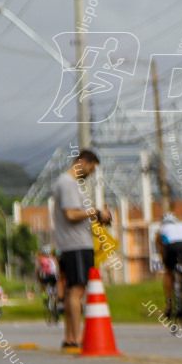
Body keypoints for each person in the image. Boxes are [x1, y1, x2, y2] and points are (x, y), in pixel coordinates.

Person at [53, 149, 111, 350]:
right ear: (84, 162)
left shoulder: (67, 183)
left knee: (72, 291)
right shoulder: (68, 183)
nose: (91, 173)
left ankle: (70, 336)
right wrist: (94, 211)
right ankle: (76, 337)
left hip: (71, 244)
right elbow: (70, 214)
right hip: (76, 244)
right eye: (91, 168)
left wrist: (95, 215)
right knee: (77, 290)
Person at [154, 213, 182, 317]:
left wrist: (165, 261)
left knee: (168, 273)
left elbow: (160, 247)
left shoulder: (162, 229)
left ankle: (169, 304)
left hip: (173, 246)